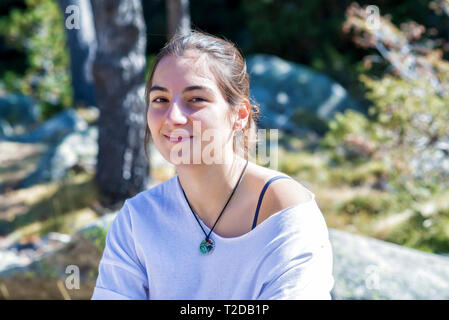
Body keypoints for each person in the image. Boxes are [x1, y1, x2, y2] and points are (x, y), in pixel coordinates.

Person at [91, 30, 334, 300]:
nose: (173, 117)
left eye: (195, 99)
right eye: (160, 99)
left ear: (239, 115)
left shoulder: (285, 211)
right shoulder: (137, 219)